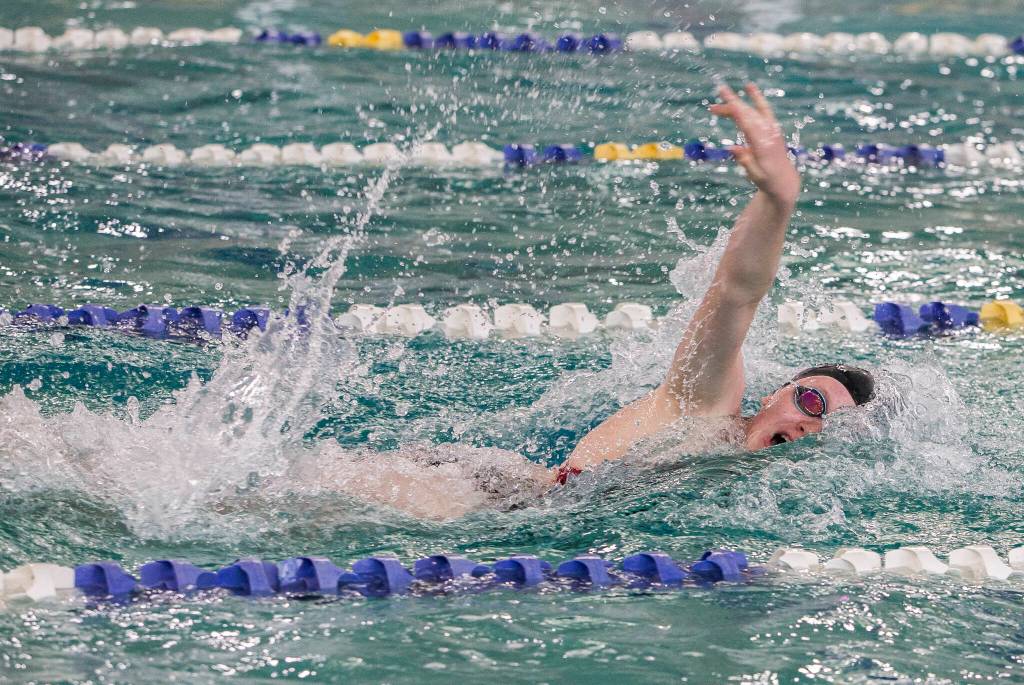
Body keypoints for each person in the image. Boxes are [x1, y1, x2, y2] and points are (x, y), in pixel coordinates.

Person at [557, 82, 874, 483]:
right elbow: (735, 294)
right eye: (811, 401)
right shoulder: (703, 408)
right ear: (773, 396)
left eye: (834, 426)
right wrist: (778, 200)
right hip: (490, 496)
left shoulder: (747, 488)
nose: (810, 428)